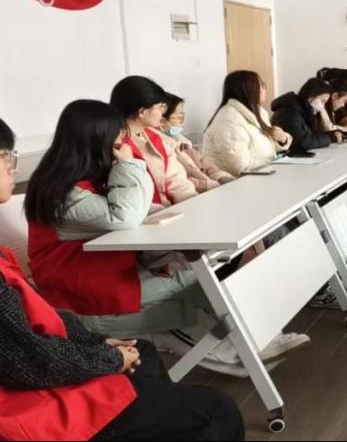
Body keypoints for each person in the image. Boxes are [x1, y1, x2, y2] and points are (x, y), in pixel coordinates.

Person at [0, 117, 246, 442]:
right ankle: (235, 347)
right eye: (6, 156)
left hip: (66, 326)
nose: (13, 166)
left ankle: (236, 345)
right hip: (31, 402)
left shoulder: (86, 184)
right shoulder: (63, 194)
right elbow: (28, 359)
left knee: (145, 349)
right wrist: (108, 358)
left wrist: (97, 347)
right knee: (218, 410)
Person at [109, 76, 197, 207]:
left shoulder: (154, 135)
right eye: (161, 107)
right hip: (146, 213)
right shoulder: (115, 145)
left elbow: (176, 179)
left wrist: (193, 202)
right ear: (142, 112)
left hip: (170, 210)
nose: (162, 113)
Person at [203, 70, 292, 177]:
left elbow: (264, 148)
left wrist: (282, 139)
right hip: (234, 182)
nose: (265, 89)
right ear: (249, 90)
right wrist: (274, 162)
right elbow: (240, 168)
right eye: (262, 85)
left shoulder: (259, 112)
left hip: (261, 176)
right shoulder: (228, 120)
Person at [158, 94, 234, 194]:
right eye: (180, 117)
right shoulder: (161, 148)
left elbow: (205, 163)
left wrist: (221, 177)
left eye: (183, 117)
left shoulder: (183, 142)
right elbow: (180, 181)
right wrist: (208, 185)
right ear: (162, 122)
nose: (183, 123)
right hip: (193, 195)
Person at [271, 78, 344, 155]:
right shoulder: (288, 113)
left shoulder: (305, 111)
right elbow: (303, 142)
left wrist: (330, 134)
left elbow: (313, 134)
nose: (322, 107)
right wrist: (330, 138)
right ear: (311, 97)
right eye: (322, 101)